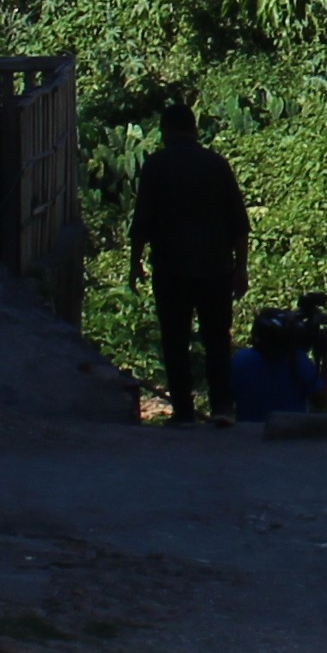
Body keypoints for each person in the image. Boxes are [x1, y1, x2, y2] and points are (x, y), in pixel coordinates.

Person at [127, 98, 250, 426]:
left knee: (175, 339)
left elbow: (142, 222)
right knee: (217, 338)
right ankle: (222, 407)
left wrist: (135, 264)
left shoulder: (156, 165)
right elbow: (239, 224)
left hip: (171, 268)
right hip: (215, 267)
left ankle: (183, 411)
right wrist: (241, 268)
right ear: (194, 130)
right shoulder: (216, 164)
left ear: (166, 130)